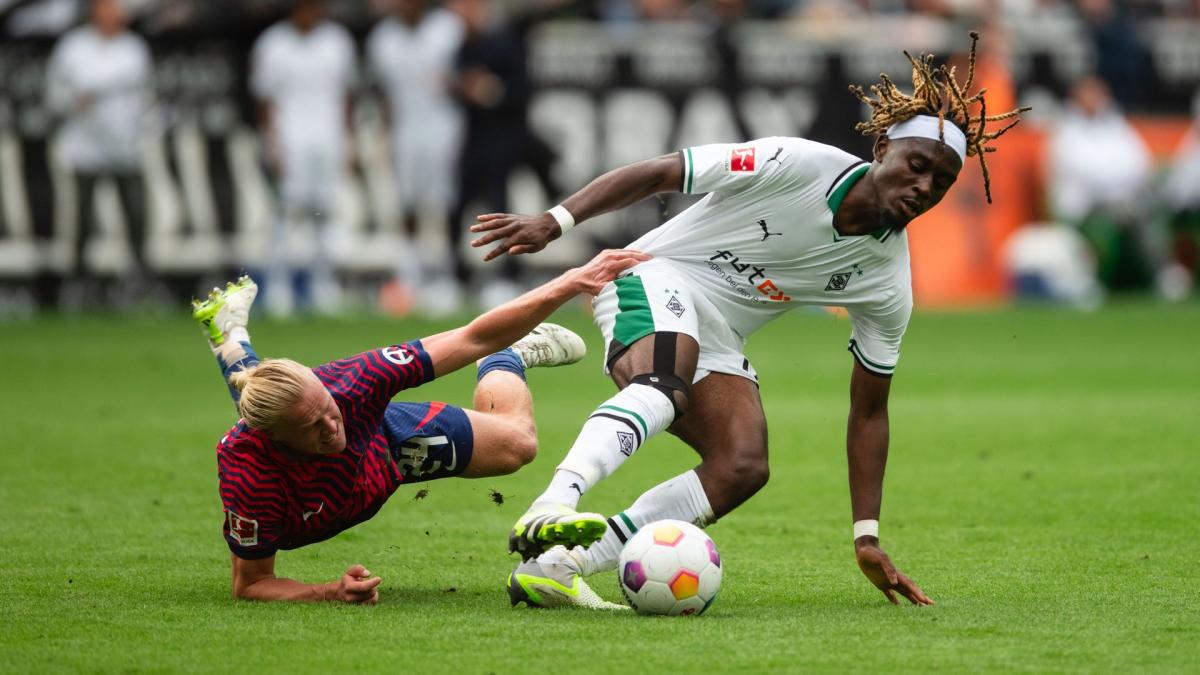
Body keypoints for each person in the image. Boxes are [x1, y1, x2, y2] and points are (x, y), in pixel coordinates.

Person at [470, 33, 1028, 608]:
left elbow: (869, 411)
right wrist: (555, 221)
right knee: (665, 381)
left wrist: (867, 535)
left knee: (742, 464)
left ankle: (559, 566)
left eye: (941, 183)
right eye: (917, 166)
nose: (924, 188)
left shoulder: (887, 283)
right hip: (651, 275)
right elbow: (663, 172)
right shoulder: (798, 163)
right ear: (882, 145)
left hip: (716, 331)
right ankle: (553, 505)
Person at [192, 249, 648, 604]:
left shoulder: (352, 385)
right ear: (277, 439)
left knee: (517, 444)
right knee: (257, 400)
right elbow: (250, 585)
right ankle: (229, 334)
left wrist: (567, 283)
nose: (333, 426)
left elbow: (470, 336)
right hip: (300, 457)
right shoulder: (248, 469)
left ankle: (507, 359)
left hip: (384, 444)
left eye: (328, 408)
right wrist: (327, 590)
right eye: (314, 427)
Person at [45, 0, 153, 309]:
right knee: (82, 219)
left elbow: (146, 95)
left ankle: (140, 281)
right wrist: (72, 101)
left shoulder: (134, 48)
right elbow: (53, 93)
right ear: (95, 13)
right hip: (85, 148)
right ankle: (79, 284)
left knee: (135, 216)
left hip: (125, 148)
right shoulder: (72, 48)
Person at [249, 0, 355, 315]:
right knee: (285, 212)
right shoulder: (273, 44)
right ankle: (278, 287)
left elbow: (346, 94)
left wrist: (347, 141)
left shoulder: (338, 41)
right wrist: (271, 143)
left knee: (324, 212)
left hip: (327, 139)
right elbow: (264, 99)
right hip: (290, 139)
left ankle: (322, 285)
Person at [367, 0, 468, 316]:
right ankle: (410, 274)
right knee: (408, 202)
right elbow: (383, 92)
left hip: (445, 125)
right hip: (405, 129)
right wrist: (385, 134)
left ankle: (445, 275)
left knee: (444, 202)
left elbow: (463, 76)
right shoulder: (382, 38)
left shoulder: (447, 29)